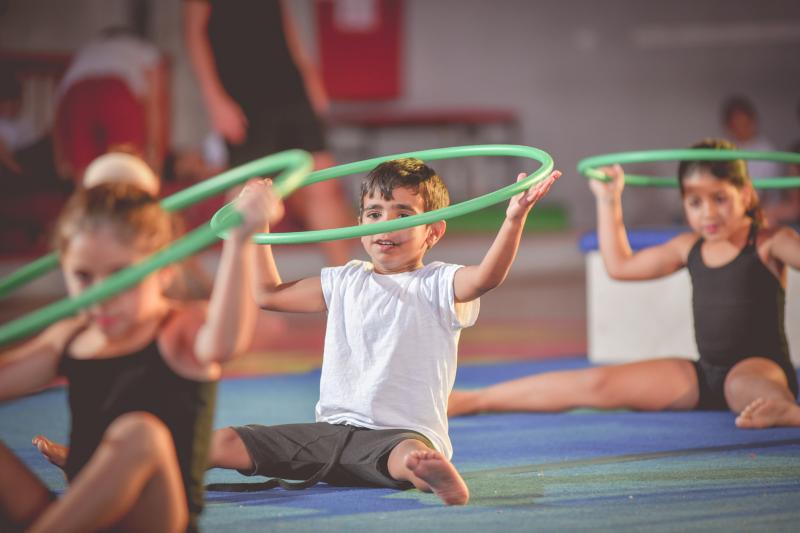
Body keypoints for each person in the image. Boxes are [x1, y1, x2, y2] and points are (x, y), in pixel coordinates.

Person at [164, 157, 556, 507]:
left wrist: (513, 220)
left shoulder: (438, 283)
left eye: (403, 214)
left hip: (396, 436)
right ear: (359, 225)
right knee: (224, 442)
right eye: (374, 213)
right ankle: (162, 470)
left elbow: (487, 277)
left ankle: (428, 472)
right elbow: (268, 294)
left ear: (432, 232)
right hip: (328, 434)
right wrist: (256, 225)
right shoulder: (345, 279)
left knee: (409, 456)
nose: (386, 224)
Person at [448, 139, 800, 429]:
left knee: (744, 388)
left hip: (758, 367)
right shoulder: (689, 247)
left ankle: (784, 409)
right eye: (695, 202)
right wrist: (609, 200)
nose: (707, 213)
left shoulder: (770, 241)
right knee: (597, 384)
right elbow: (620, 266)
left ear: (747, 193)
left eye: (719, 199)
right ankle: (475, 399)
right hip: (702, 373)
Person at [0, 178, 271, 531]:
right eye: (83, 276)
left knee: (141, 433)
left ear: (164, 270)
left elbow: (226, 342)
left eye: (120, 276)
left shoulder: (179, 329)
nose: (101, 296)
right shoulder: (71, 336)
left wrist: (241, 240)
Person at [183, 0, 354, 265]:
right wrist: (214, 99)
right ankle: (246, 296)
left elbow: (284, 25)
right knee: (248, 193)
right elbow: (194, 34)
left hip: (289, 87)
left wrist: (308, 75)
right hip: (242, 93)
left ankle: (344, 284)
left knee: (324, 184)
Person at [53, 28, 168, 183]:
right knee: (128, 165)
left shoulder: (87, 50)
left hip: (75, 94)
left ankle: (86, 200)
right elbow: (156, 107)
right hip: (116, 90)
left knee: (84, 173)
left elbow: (59, 108)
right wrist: (155, 158)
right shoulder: (145, 49)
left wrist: (61, 158)